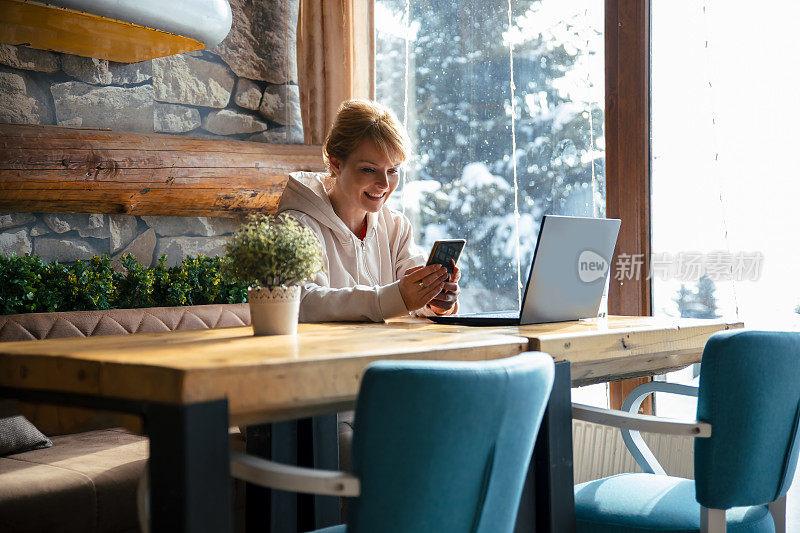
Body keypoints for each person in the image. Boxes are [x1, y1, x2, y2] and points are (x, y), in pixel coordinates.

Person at [277, 99, 460, 322]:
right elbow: (302, 303)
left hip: (386, 352)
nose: (384, 184)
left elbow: (415, 298)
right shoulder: (296, 226)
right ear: (336, 163)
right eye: (368, 169)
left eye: (392, 170)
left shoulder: (396, 227)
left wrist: (436, 300)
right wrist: (393, 298)